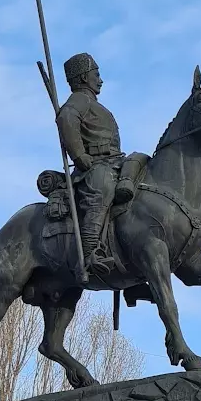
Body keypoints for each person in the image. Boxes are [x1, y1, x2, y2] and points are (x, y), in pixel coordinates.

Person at [56, 52, 132, 277]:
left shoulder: (93, 103)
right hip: (96, 167)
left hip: (114, 161)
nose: (100, 80)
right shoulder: (80, 100)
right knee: (103, 187)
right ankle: (90, 253)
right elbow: (66, 118)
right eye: (96, 74)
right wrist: (79, 155)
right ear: (82, 78)